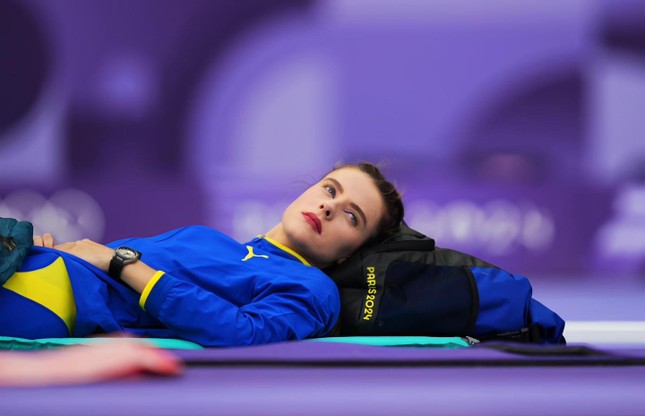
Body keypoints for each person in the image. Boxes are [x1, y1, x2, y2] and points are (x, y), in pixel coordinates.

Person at [0, 163, 404, 347]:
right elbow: (97, 262)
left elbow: (240, 331)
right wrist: (52, 253)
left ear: (350, 254)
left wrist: (119, 261)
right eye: (330, 190)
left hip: (49, 301)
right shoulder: (207, 238)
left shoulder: (313, 288)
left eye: (352, 216)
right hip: (29, 261)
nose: (329, 207)